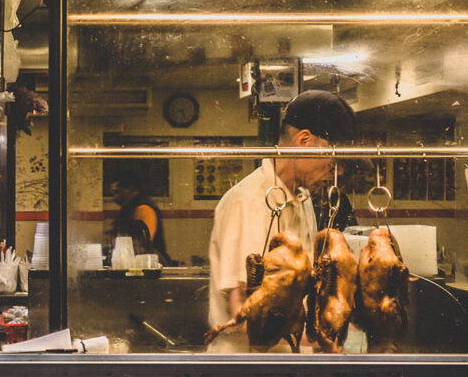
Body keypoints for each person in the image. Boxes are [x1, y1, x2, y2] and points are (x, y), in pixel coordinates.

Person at [206, 90, 357, 353]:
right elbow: (246, 316)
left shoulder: (303, 199)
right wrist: (329, 341)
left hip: (292, 360)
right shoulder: (247, 202)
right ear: (304, 140)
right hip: (249, 369)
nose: (339, 171)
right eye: (334, 159)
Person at [108, 171, 173, 265]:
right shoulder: (129, 208)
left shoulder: (143, 209)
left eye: (117, 192)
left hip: (150, 263)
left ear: (131, 189)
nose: (114, 198)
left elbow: (143, 243)